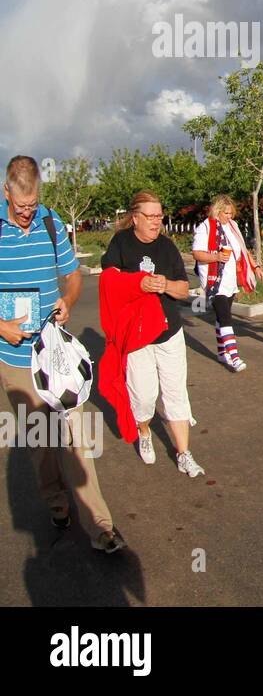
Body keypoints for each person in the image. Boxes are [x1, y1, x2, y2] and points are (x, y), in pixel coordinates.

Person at [0, 156, 124, 552]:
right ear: (7, 192)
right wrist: (2, 327)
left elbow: (72, 276)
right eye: (21, 207)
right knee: (42, 446)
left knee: (76, 439)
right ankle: (56, 504)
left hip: (55, 353)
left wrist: (69, 300)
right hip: (15, 359)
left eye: (32, 205)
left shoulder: (50, 222)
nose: (26, 213)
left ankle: (101, 526)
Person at [102, 191, 205, 477]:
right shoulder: (121, 244)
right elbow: (109, 281)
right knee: (144, 398)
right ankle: (144, 430)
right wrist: (138, 284)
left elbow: (184, 290)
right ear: (135, 217)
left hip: (169, 331)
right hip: (137, 336)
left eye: (159, 216)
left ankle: (184, 452)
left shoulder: (168, 247)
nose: (156, 221)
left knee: (175, 393)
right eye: (150, 216)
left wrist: (164, 285)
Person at [190, 195, 263, 372]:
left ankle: (222, 352)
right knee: (225, 317)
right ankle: (234, 356)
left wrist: (255, 267)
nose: (229, 216)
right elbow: (197, 254)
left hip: (230, 279)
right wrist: (216, 256)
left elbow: (243, 250)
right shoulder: (205, 228)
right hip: (213, 279)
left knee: (222, 316)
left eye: (231, 213)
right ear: (217, 210)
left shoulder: (233, 226)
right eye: (226, 213)